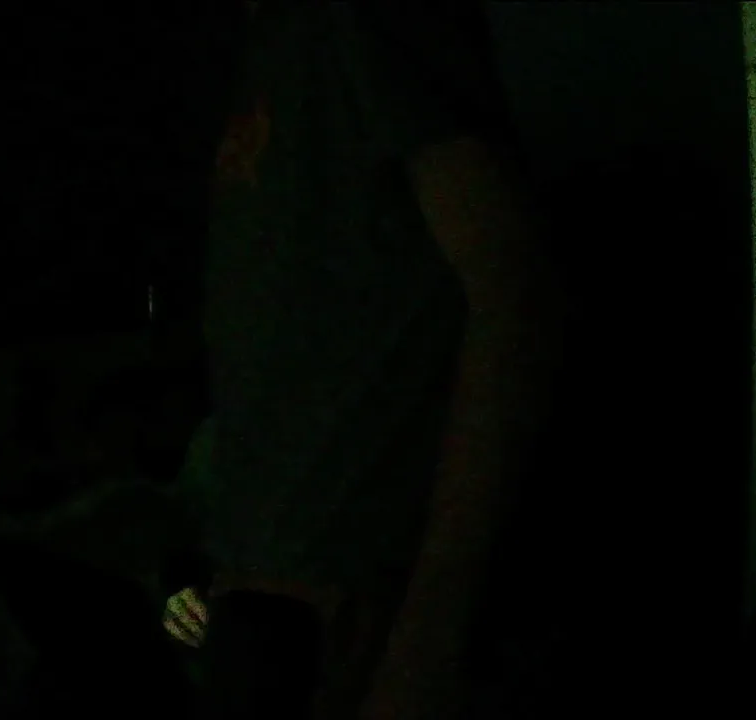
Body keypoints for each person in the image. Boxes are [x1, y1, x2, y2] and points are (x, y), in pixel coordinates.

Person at [159, 2, 565, 718]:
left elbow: (514, 295)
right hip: (278, 611)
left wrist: (429, 635)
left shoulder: (356, 19)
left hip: (350, 620)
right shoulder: (267, 45)